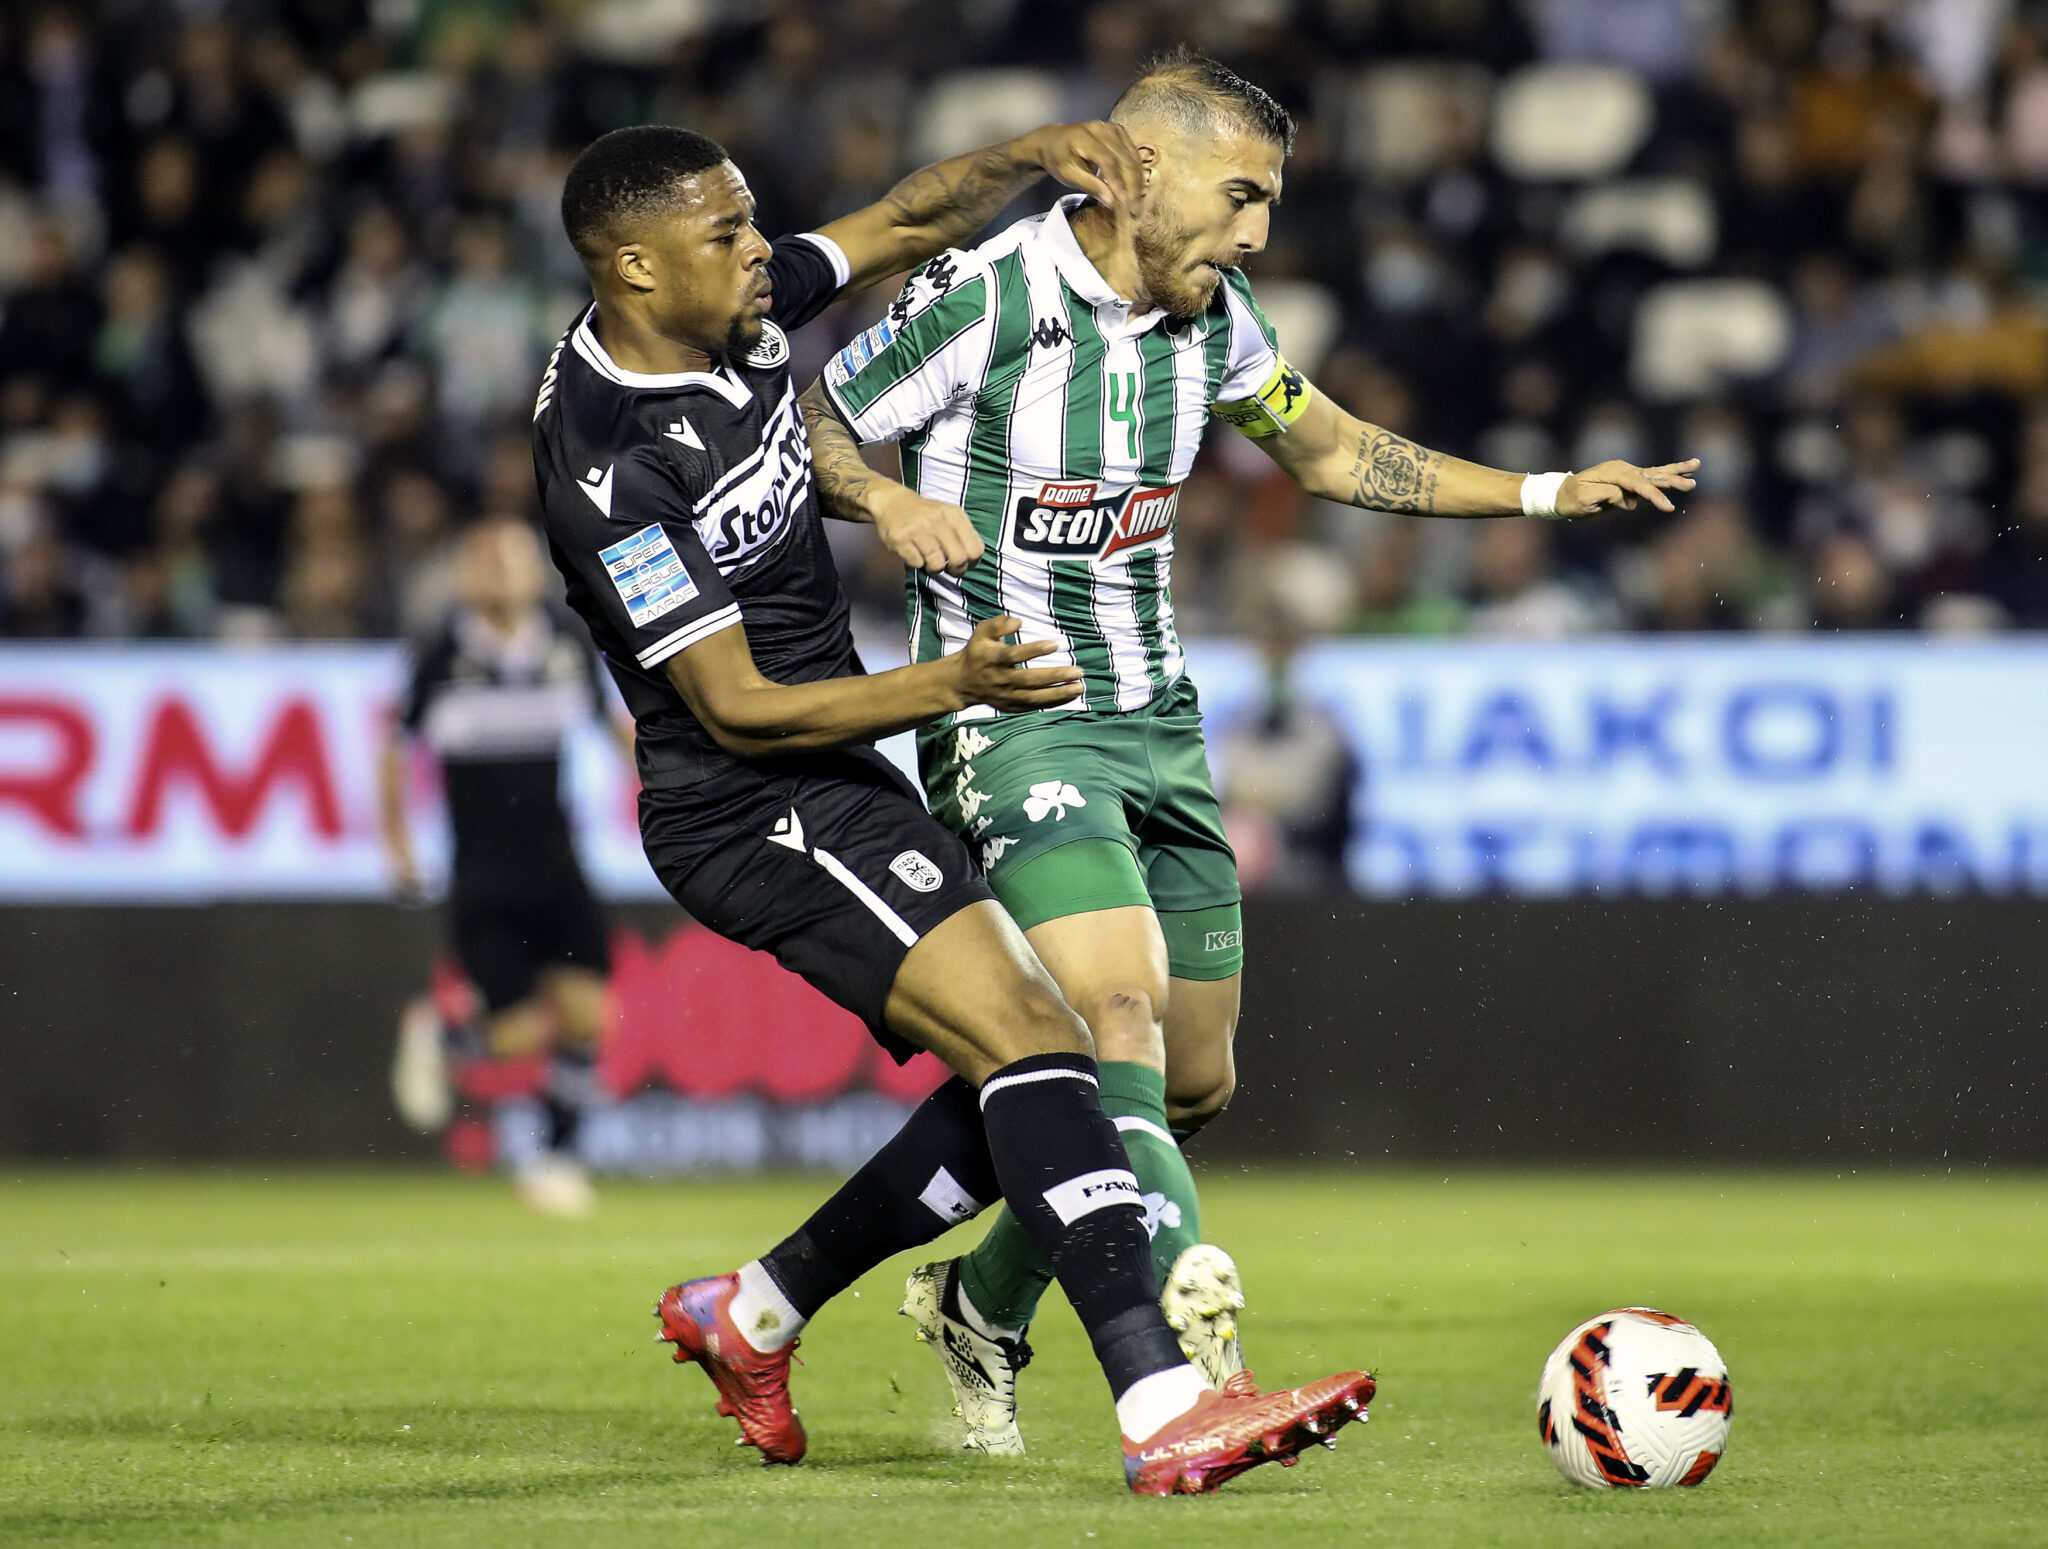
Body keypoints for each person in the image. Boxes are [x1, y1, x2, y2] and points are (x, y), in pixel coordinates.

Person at [802, 46, 1698, 1453]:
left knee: (1190, 1084)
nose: (1260, 232)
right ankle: (1184, 1365)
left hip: (1161, 725)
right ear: (1141, 171)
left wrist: (1542, 492)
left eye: (1269, 202)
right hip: (1014, 716)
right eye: (1242, 196)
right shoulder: (988, 294)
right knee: (1115, 1015)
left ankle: (982, 1301)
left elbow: (1332, 452)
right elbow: (817, 418)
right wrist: (883, 502)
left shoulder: (1215, 316)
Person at [532, 120, 1374, 1494]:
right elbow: (733, 707)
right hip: (747, 803)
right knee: (1041, 1042)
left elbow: (909, 218)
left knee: (1031, 1068)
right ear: (634, 266)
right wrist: (950, 683)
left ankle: (756, 1311)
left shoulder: (730, 308)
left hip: (828, 777)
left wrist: (1040, 151)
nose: (761, 253)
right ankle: (1161, 1400)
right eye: (727, 234)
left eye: (752, 222)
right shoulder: (606, 460)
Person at [382, 515, 630, 1216]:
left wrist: (657, 787)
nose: (498, 573)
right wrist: (398, 840)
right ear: (463, 578)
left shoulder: (564, 640)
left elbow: (608, 725)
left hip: (557, 863)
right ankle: (445, 1033)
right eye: (484, 562)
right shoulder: (441, 653)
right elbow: (393, 748)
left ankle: (556, 1160)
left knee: (589, 1013)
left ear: (532, 573)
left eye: (511, 560)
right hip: (483, 872)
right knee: (517, 1033)